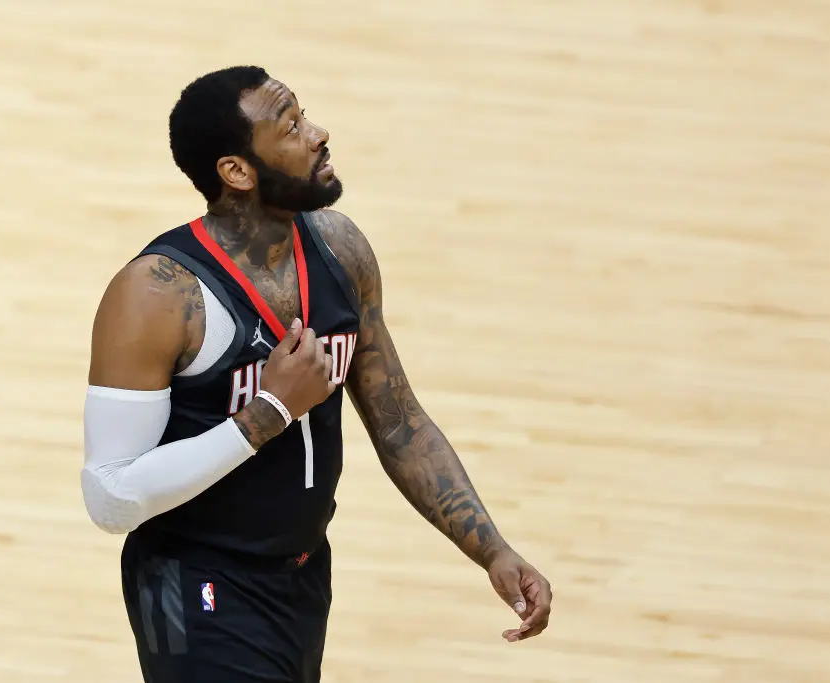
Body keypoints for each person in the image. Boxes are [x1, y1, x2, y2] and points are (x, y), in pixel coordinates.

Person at [81, 65, 553, 683]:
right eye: (293, 127)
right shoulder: (157, 294)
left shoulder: (339, 248)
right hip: (192, 580)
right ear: (238, 171)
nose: (319, 134)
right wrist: (267, 413)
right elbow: (110, 496)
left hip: (302, 576)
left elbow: (401, 424)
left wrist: (490, 548)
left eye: (305, 116)